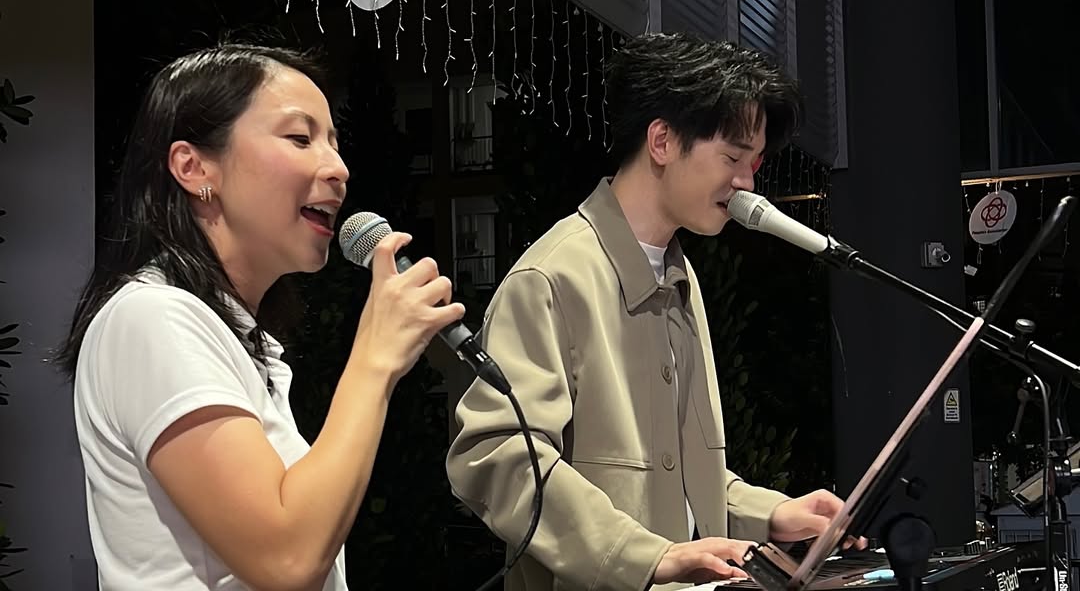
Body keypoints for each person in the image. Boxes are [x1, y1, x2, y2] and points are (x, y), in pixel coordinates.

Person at [446, 32, 862, 591]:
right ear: (662, 141)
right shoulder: (551, 277)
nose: (746, 183)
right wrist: (645, 557)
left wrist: (771, 513)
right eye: (733, 157)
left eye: (754, 163)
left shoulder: (679, 274)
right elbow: (498, 458)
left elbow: (674, 475)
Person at [55, 43, 464, 590]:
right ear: (194, 167)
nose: (338, 169)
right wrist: (376, 357)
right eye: (299, 138)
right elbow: (287, 560)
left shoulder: (236, 336)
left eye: (334, 143)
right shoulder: (150, 318)